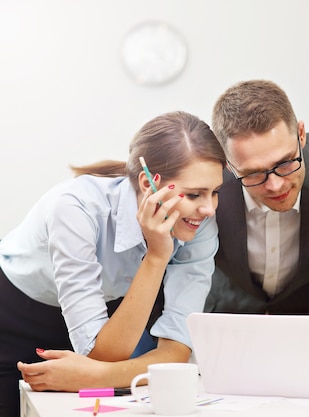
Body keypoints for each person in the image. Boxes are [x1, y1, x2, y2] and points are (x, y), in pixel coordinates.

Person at [0, 111, 225, 417]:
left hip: (105, 315)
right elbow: (98, 351)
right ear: (148, 183)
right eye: (195, 194)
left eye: (215, 192)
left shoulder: (197, 224)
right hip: (14, 314)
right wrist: (157, 256)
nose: (209, 209)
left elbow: (176, 352)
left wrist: (96, 375)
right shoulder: (75, 207)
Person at [204, 79, 309, 368]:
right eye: (253, 174)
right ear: (228, 165)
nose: (276, 184)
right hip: (229, 328)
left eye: (285, 163)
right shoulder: (204, 182)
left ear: (301, 134)